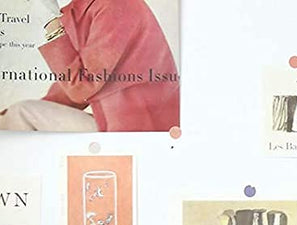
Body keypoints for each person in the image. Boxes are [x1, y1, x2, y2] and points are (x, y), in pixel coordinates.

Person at [0, 0, 179, 132]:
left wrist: (52, 24)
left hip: (145, 131)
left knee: (21, 114)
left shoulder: (117, 4)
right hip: (114, 125)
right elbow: (67, 94)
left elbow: (81, 88)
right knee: (15, 117)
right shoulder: (76, 12)